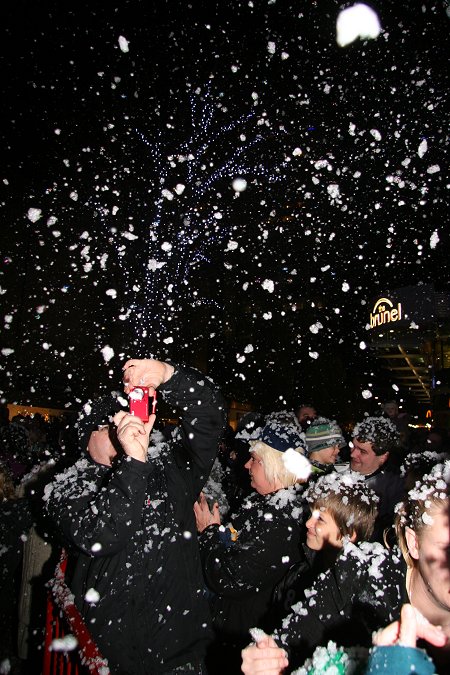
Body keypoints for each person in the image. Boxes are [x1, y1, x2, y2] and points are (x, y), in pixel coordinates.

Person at [44, 358, 226, 675]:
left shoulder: (172, 467)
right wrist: (133, 463)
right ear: (86, 441)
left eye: (123, 420)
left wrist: (169, 376)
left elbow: (210, 418)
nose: (120, 430)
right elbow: (103, 535)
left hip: (180, 652)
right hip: (113, 656)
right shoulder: (67, 487)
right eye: (107, 426)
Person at [241, 460, 450, 674]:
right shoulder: (359, 576)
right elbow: (287, 649)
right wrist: (265, 661)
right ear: (414, 543)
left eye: (320, 518)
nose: (308, 524)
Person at [193, 420, 308, 673]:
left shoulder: (280, 521)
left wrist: (210, 533)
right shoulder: (266, 505)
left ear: (274, 465)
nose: (246, 464)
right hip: (233, 628)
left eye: (254, 459)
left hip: (241, 638)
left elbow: (231, 578)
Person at [350, 416, 405, 541]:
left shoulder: (394, 489)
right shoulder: (335, 473)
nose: (353, 454)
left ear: (383, 456)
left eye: (362, 451)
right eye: (352, 446)